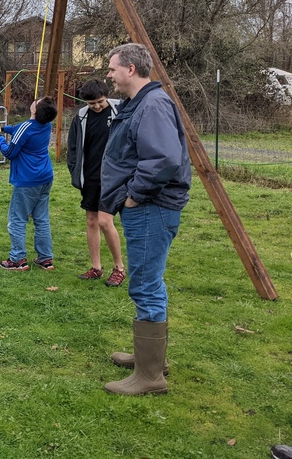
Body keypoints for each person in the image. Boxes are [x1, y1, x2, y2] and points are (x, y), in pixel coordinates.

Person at [100, 43, 191, 395]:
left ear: (131, 70)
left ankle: (150, 378)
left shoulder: (152, 104)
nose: (109, 74)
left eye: (112, 68)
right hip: (149, 208)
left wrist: (134, 196)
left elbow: (164, 159)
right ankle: (151, 359)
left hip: (151, 209)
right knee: (150, 282)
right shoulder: (143, 103)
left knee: (145, 285)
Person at [66, 79, 126, 286]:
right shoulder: (81, 117)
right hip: (90, 176)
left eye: (100, 102)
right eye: (92, 104)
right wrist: (75, 171)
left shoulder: (121, 109)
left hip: (113, 178)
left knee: (105, 222)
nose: (97, 106)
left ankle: (119, 268)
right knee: (92, 220)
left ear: (106, 96)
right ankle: (96, 267)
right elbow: (73, 147)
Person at [0, 96, 59, 272]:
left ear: (34, 110)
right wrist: (4, 128)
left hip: (27, 180)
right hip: (45, 178)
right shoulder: (46, 124)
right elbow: (20, 130)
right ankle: (45, 259)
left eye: (37, 102)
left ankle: (17, 259)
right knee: (41, 219)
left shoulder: (26, 127)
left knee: (17, 219)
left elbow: (10, 153)